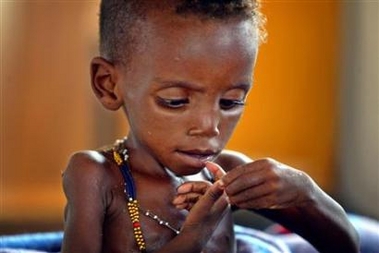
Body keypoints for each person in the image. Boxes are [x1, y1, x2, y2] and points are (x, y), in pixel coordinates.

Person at [61, 0, 359, 252]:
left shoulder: (227, 175)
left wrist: (305, 193)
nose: (209, 127)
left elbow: (346, 245)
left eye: (230, 102)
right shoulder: (96, 175)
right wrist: (195, 235)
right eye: (175, 101)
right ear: (108, 85)